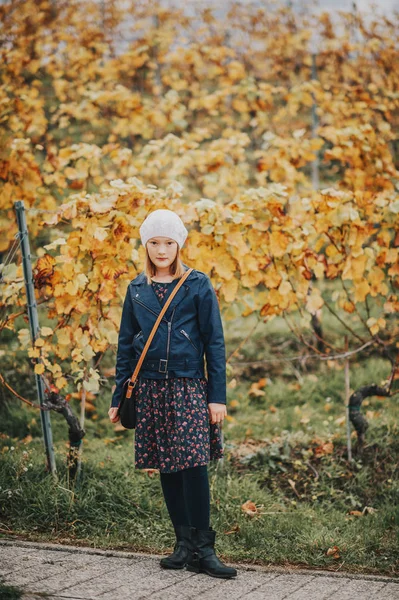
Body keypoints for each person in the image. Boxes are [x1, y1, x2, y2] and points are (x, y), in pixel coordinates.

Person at [108, 208, 237, 579]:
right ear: (145, 245)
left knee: (194, 466)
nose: (161, 250)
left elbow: (214, 342)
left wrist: (217, 396)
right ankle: (182, 544)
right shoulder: (136, 289)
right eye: (154, 242)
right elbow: (125, 348)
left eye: (168, 242)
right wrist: (119, 397)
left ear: (179, 245)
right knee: (167, 465)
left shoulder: (197, 284)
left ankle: (204, 549)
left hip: (187, 387)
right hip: (149, 388)